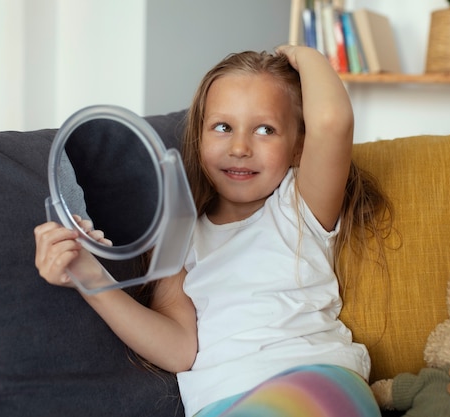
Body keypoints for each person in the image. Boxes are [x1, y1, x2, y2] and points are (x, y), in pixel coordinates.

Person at [34, 45, 392, 417]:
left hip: (313, 380)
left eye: (265, 130)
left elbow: (333, 120)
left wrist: (304, 56)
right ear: (199, 138)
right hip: (218, 401)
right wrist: (90, 277)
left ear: (298, 147)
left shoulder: (298, 206)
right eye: (222, 127)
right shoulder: (177, 236)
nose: (239, 148)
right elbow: (179, 350)